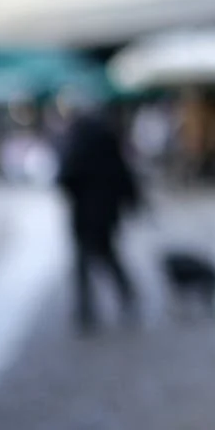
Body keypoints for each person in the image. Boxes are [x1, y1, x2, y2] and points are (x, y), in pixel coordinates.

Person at [56, 104, 141, 331]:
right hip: (106, 210)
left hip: (84, 212)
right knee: (108, 255)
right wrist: (132, 201)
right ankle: (127, 294)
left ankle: (86, 310)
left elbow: (65, 176)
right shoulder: (107, 138)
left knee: (85, 262)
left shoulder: (78, 141)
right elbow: (123, 173)